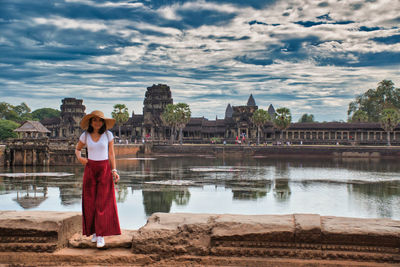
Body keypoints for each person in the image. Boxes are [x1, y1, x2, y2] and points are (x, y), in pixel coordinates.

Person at [75, 110, 121, 248]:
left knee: (103, 201)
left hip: (104, 168)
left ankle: (101, 235)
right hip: (90, 168)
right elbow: (77, 149)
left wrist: (114, 170)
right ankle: (94, 232)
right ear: (91, 122)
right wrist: (80, 158)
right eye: (95, 120)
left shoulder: (108, 135)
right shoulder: (85, 135)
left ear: (103, 123)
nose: (97, 123)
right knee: (90, 201)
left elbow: (111, 154)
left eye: (100, 120)